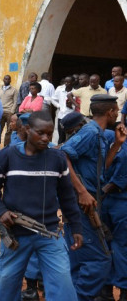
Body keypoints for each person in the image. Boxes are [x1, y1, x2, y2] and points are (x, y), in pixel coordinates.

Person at [0, 111, 84, 301]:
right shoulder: (7, 155)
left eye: (49, 133)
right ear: (27, 130)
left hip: (49, 233)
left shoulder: (57, 159)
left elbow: (67, 196)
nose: (46, 138)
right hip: (16, 234)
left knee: (63, 283)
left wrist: (77, 226)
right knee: (6, 284)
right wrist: (1, 211)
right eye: (41, 133)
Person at [60, 94, 126, 300]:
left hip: (85, 204)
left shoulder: (99, 134)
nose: (118, 114)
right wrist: (82, 192)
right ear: (110, 112)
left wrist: (116, 145)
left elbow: (99, 171)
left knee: (79, 258)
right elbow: (62, 155)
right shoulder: (90, 132)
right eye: (117, 110)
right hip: (82, 205)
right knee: (102, 259)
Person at [101, 131, 127, 300]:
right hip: (108, 201)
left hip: (121, 201)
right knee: (105, 245)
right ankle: (106, 289)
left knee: (119, 247)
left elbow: (117, 178)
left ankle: (123, 290)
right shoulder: (112, 140)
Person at [52, 76, 75, 144]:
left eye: (69, 82)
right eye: (65, 82)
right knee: (61, 135)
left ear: (73, 83)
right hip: (61, 116)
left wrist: (72, 107)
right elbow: (53, 99)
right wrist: (58, 106)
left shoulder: (75, 92)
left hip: (71, 116)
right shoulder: (60, 89)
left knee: (70, 135)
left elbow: (77, 104)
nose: (67, 83)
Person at [0, 75, 19, 146]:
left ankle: (6, 146)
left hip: (9, 112)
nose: (6, 80)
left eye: (8, 79)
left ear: (10, 80)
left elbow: (15, 101)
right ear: (3, 80)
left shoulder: (14, 90)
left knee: (9, 130)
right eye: (5, 79)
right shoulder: (0, 89)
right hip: (1, 112)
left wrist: (12, 112)